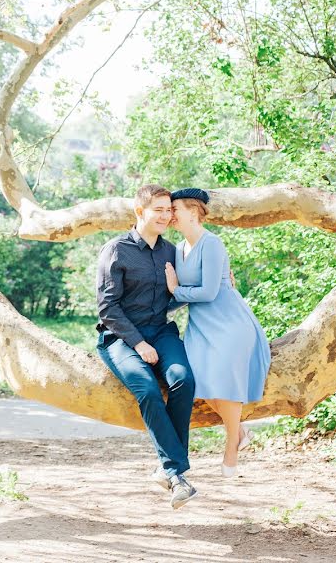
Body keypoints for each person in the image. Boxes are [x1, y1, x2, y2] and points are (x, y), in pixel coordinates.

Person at [96, 184, 197, 509]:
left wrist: (221, 283)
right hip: (120, 338)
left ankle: (168, 469)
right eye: (159, 210)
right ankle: (176, 473)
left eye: (169, 210)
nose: (166, 216)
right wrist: (138, 344)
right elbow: (107, 309)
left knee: (183, 379)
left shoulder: (172, 252)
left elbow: (178, 296)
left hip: (162, 331)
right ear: (140, 212)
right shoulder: (116, 250)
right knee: (149, 390)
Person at [165, 188, 271, 477]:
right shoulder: (177, 249)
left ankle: (231, 452)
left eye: (174, 209)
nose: (170, 214)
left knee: (223, 380)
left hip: (230, 322)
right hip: (200, 327)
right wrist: (161, 309)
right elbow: (185, 296)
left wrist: (176, 289)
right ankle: (239, 432)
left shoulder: (212, 244)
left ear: (193, 211)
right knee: (195, 381)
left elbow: (209, 292)